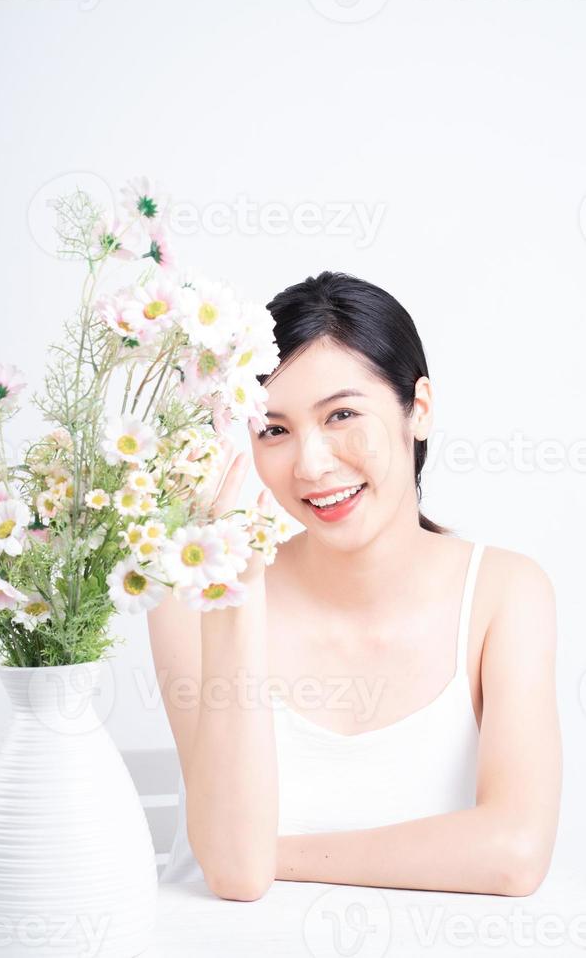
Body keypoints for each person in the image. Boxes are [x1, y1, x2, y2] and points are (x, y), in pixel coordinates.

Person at [149, 270, 562, 901]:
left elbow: (513, 854)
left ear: (417, 409)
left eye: (342, 414)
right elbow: (233, 871)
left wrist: (274, 853)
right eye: (274, 429)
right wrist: (236, 593)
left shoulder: (505, 594)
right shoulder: (191, 597)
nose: (311, 463)